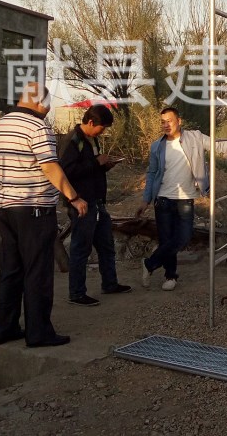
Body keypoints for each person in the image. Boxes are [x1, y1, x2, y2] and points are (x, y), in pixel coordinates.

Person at [0, 82, 88, 348]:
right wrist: (74, 197)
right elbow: (50, 168)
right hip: (34, 208)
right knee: (38, 271)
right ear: (41, 103)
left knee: (10, 270)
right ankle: (39, 332)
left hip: (6, 209)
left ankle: (5, 328)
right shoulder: (38, 127)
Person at [136, 107, 227, 291]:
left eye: (170, 120)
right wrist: (145, 200)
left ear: (179, 121)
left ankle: (149, 264)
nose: (166, 125)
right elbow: (151, 173)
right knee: (167, 240)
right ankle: (170, 275)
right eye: (163, 122)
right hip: (163, 199)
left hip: (185, 199)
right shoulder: (157, 146)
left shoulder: (195, 138)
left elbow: (218, 145)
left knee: (184, 237)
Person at [59, 104, 131, 306]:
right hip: (82, 203)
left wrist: (105, 166)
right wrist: (96, 163)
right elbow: (65, 172)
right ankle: (77, 293)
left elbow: (90, 169)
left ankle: (110, 283)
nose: (103, 131)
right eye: (102, 127)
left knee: (106, 245)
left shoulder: (92, 140)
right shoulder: (73, 141)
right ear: (91, 122)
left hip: (97, 201)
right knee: (81, 249)